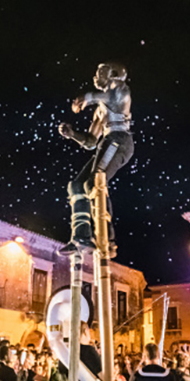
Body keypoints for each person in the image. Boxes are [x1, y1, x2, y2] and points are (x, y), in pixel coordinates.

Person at [58, 62, 134, 255]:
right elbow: (91, 141)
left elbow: (113, 97)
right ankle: (82, 235)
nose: (96, 76)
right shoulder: (100, 108)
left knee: (96, 181)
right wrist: (73, 134)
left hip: (119, 140)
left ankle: (108, 239)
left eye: (101, 72)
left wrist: (88, 97)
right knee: (77, 185)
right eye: (96, 73)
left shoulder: (120, 89)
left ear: (114, 74)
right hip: (107, 141)